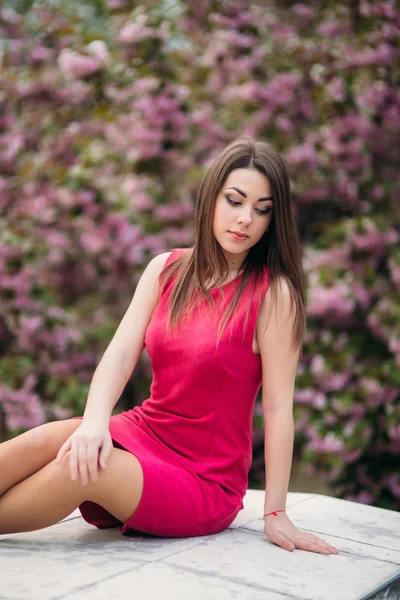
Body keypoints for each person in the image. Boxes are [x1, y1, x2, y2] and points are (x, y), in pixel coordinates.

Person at [0, 135, 337, 555]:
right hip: (147, 431)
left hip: (204, 478)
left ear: (273, 220)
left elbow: (278, 408)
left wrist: (275, 511)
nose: (245, 218)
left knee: (83, 469)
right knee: (57, 437)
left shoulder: (274, 295)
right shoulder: (167, 268)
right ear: (211, 198)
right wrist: (94, 422)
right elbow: (120, 355)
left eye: (262, 209)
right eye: (235, 200)